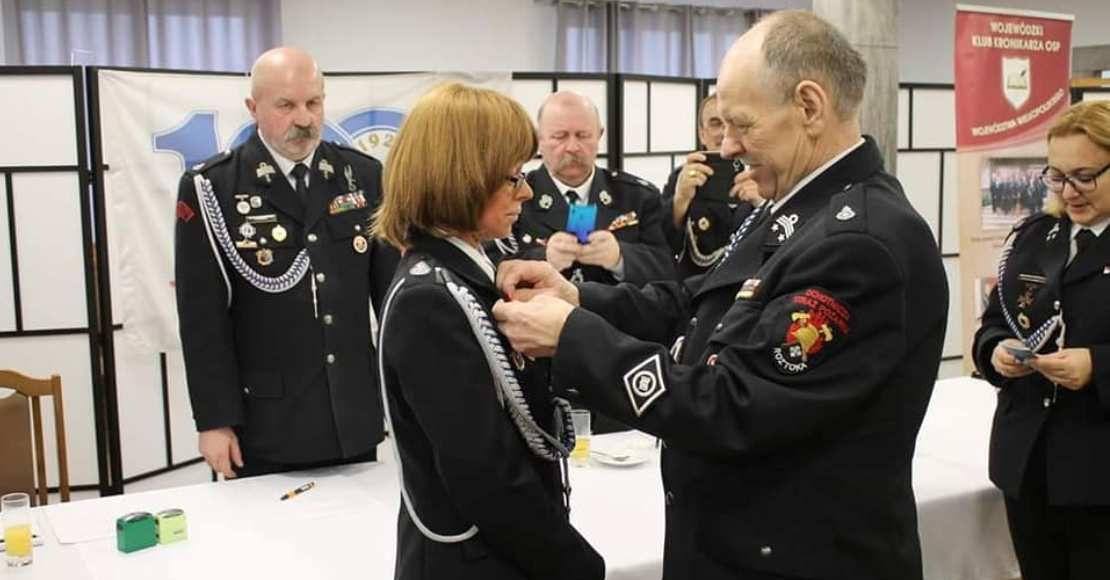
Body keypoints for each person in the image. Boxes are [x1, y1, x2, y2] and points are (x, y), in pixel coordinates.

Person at [493, 10, 947, 580]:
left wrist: (573, 338)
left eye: (740, 124)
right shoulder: (796, 209)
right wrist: (580, 299)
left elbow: (734, 406)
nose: (727, 146)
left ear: (809, 106)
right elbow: (699, 304)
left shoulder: (861, 243)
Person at [372, 83, 604, 580]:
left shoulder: (476, 269)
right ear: (462, 178)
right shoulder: (430, 300)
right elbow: (486, 475)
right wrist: (577, 564)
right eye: (512, 177)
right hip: (474, 560)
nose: (527, 191)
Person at [174, 47, 395, 478]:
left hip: (351, 415)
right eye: (286, 105)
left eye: (313, 103)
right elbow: (202, 318)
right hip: (266, 423)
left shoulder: (363, 176)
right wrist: (214, 421)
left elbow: (390, 298)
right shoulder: (214, 187)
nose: (304, 118)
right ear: (253, 108)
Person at [972, 100, 1110, 580]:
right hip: (1027, 461)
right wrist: (995, 351)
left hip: (1098, 470)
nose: (1068, 192)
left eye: (1084, 177)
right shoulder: (1035, 237)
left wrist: (1097, 365)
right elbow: (995, 320)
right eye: (1057, 176)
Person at [509, 90, 674, 287]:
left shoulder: (637, 196)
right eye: (559, 137)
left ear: (599, 136)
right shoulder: (514, 196)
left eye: (583, 135)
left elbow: (667, 270)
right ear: (540, 140)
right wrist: (544, 258)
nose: (572, 147)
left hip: (616, 306)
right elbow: (494, 270)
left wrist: (620, 257)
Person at [661, 93, 763, 278]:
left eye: (733, 123)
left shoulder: (765, 174)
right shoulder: (682, 178)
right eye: (716, 123)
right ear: (702, 134)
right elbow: (661, 246)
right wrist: (680, 201)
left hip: (748, 283)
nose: (724, 132)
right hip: (695, 286)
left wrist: (762, 204)